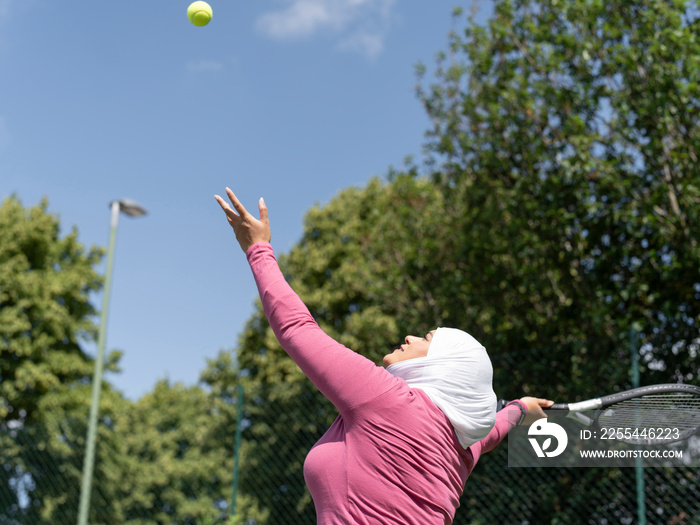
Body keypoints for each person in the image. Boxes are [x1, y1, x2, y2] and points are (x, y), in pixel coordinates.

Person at [215, 188, 553, 525]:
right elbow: (491, 433)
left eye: (427, 338)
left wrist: (258, 249)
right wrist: (520, 408)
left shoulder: (387, 399)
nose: (410, 336)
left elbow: (297, 329)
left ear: (444, 365)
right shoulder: (459, 449)